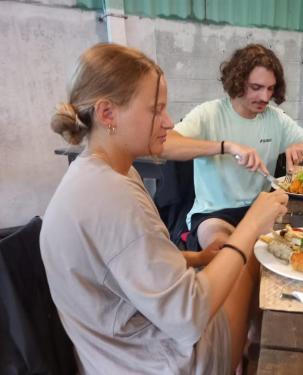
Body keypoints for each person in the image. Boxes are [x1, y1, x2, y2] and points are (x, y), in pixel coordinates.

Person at [40, 43, 288, 374]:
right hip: (155, 362)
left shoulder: (101, 172)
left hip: (112, 354)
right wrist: (251, 226)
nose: (169, 122)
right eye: (156, 110)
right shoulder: (111, 196)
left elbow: (123, 264)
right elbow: (189, 316)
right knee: (253, 258)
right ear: (107, 113)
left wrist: (198, 258)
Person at [162, 43, 303, 250]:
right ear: (238, 82)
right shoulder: (209, 114)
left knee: (289, 251)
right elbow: (164, 145)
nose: (265, 97)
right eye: (256, 88)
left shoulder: (276, 119)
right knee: (223, 252)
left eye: (270, 89)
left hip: (260, 208)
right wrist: (226, 147)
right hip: (214, 214)